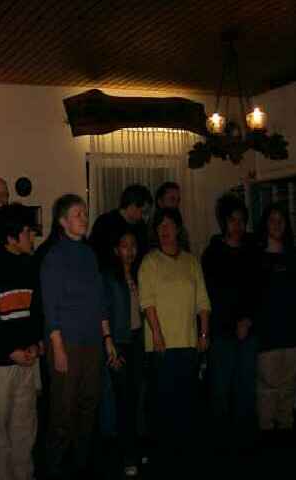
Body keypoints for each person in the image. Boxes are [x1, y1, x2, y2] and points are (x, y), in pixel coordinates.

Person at [41, 194, 116, 478]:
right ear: (62, 222)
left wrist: (107, 338)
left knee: (89, 404)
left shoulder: (89, 254)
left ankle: (81, 465)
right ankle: (55, 468)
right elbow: (50, 306)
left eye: (85, 213)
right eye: (77, 214)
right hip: (66, 343)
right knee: (63, 410)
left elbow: (100, 301)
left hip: (92, 342)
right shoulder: (54, 257)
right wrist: (58, 348)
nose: (84, 218)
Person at [0, 203, 42, 480]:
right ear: (12, 236)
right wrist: (10, 351)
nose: (32, 237)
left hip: (27, 360)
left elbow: (37, 312)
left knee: (25, 430)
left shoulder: (31, 265)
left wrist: (35, 345)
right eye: (28, 232)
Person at [138, 208, 210, 461]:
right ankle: (162, 455)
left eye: (169, 224)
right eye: (160, 226)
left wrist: (204, 333)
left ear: (178, 228)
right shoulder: (150, 262)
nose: (164, 229)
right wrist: (157, 334)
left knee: (186, 402)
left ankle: (184, 453)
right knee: (163, 404)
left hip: (188, 343)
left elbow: (203, 301)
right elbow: (147, 302)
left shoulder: (191, 261)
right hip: (161, 346)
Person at [254, 203, 296, 438]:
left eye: (281, 220)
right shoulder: (256, 258)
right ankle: (267, 432)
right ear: (265, 224)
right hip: (268, 335)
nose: (277, 224)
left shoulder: (295, 257)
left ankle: (285, 430)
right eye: (272, 219)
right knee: (268, 387)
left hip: (293, 333)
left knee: (289, 386)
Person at [201, 193, 257, 450]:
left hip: (248, 331)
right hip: (222, 332)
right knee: (220, 390)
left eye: (241, 220)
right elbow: (210, 296)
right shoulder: (212, 254)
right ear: (224, 222)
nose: (237, 225)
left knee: (246, 388)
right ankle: (220, 443)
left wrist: (247, 319)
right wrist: (230, 323)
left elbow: (258, 291)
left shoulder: (252, 251)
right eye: (233, 220)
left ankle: (243, 441)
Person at [102, 229, 145, 477]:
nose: (129, 250)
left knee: (137, 397)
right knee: (123, 399)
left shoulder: (141, 274)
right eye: (124, 245)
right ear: (116, 250)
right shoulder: (109, 277)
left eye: (133, 245)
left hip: (138, 341)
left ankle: (136, 448)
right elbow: (103, 311)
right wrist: (109, 343)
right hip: (118, 342)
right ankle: (127, 454)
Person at [89, 184, 152, 268]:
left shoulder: (141, 226)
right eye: (144, 211)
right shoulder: (105, 222)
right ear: (132, 205)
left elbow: (144, 255)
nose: (146, 217)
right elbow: (96, 255)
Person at [149, 182, 190, 251]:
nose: (176, 204)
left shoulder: (178, 222)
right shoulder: (152, 225)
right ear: (160, 202)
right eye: (172, 199)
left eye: (178, 200)